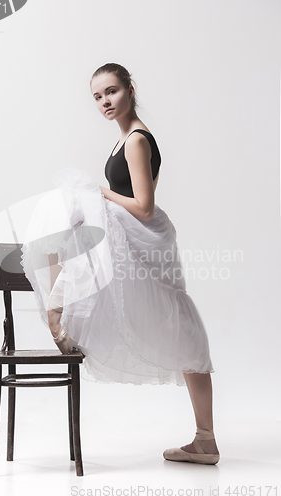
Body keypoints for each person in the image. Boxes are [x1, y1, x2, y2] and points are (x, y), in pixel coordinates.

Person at [21, 63, 220, 465]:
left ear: (130, 89)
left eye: (111, 92)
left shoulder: (135, 141)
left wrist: (98, 193)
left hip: (144, 234)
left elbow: (145, 208)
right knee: (70, 209)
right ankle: (205, 440)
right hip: (131, 234)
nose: (105, 102)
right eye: (97, 97)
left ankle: (205, 440)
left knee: (184, 331)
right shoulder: (123, 140)